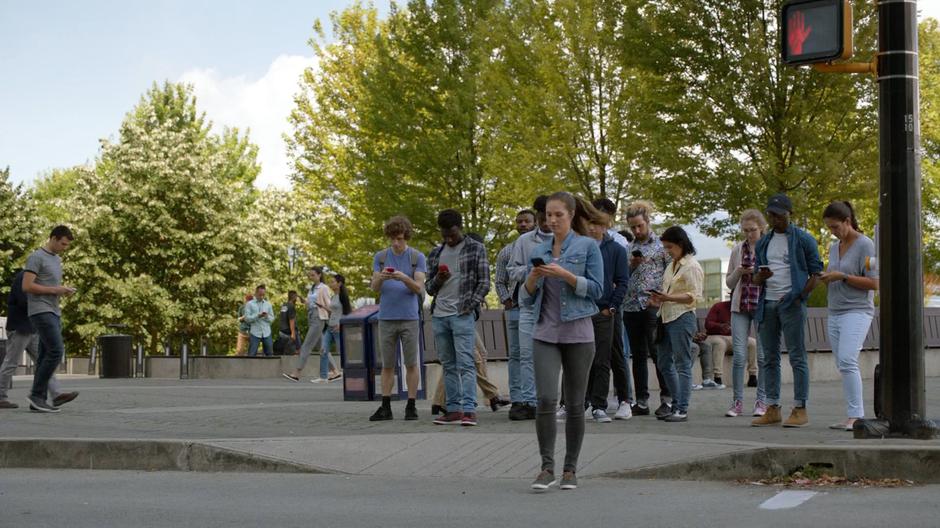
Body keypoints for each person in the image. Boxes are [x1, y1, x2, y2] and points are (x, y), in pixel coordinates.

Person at [524, 192, 604, 491]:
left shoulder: (588, 246)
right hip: (545, 332)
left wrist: (566, 275)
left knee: (573, 403)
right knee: (545, 398)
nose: (552, 220)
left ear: (571, 215)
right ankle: (547, 468)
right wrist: (532, 277)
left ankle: (570, 469)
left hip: (579, 334)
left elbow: (597, 290)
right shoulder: (541, 248)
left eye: (558, 214)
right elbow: (526, 295)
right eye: (548, 215)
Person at [751, 193, 823, 428]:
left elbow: (816, 273)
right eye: (772, 214)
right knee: (769, 358)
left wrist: (800, 296)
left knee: (796, 356)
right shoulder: (764, 241)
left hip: (791, 304)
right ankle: (772, 407)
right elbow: (754, 277)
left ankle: (800, 408)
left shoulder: (803, 239)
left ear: (789, 214)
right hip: (767, 303)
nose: (775, 219)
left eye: (780, 215)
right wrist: (760, 277)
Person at [426, 209, 490, 426]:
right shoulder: (435, 253)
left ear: (460, 227)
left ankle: (469, 410)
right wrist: (439, 278)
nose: (449, 238)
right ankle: (453, 409)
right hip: (440, 315)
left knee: (466, 363)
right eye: (444, 234)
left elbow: (484, 282)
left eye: (452, 233)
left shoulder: (476, 248)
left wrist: (469, 307)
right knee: (449, 364)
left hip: (462, 313)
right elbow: (429, 288)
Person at [819, 201, 878, 431]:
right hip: (835, 310)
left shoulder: (866, 245)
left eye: (835, 227)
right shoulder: (835, 247)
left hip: (857, 310)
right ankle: (851, 415)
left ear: (847, 221)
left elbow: (875, 282)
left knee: (847, 359)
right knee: (842, 363)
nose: (833, 232)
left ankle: (857, 416)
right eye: (829, 228)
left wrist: (842, 277)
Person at [368, 216, 427, 421]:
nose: (396, 243)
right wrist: (380, 277)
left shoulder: (416, 257)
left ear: (406, 237)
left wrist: (403, 277)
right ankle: (386, 406)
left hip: (409, 318)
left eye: (400, 239)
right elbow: (375, 288)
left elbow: (419, 288)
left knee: (411, 363)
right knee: (387, 365)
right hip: (386, 318)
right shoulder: (381, 257)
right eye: (392, 239)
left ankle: (411, 405)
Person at [0, 270, 78, 410]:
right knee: (11, 362)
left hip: (33, 328)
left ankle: (55, 395)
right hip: (20, 327)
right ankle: (1, 397)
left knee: (44, 361)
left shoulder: (38, 280)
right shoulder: (24, 277)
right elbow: (25, 301)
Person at [649, 226, 704, 423]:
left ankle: (682, 408)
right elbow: (670, 292)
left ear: (681, 244)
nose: (667, 251)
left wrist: (667, 297)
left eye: (670, 247)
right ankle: (677, 402)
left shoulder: (692, 266)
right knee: (664, 361)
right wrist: (659, 299)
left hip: (682, 317)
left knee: (682, 363)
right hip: (666, 316)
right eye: (665, 247)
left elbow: (694, 296)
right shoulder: (673, 265)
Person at [623, 201, 672, 418]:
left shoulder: (662, 246)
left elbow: (671, 272)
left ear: (647, 222)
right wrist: (631, 266)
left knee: (657, 352)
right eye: (633, 227)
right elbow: (621, 277)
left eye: (639, 226)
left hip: (653, 305)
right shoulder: (627, 248)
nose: (636, 230)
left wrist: (663, 298)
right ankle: (641, 401)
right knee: (638, 355)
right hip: (631, 306)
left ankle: (667, 399)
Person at [507, 197, 554, 421]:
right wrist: (531, 271)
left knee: (551, 356)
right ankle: (528, 402)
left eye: (551, 215)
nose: (547, 220)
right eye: (543, 216)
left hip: (554, 305)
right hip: (528, 304)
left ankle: (551, 400)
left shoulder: (565, 239)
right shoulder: (524, 241)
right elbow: (512, 271)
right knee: (526, 355)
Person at [22, 225, 76, 413]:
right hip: (40, 311)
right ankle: (36, 394)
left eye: (67, 245)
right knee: (56, 351)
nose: (64, 247)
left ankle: (38, 401)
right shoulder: (36, 257)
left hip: (53, 310)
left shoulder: (57, 259)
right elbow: (27, 286)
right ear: (53, 238)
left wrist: (63, 290)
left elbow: (50, 285)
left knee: (45, 355)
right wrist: (56, 290)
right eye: (62, 243)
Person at [582, 209, 629, 422]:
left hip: (604, 310)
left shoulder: (616, 249)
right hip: (582, 311)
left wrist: (611, 307)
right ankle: (576, 403)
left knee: (603, 358)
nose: (592, 227)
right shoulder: (580, 247)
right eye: (589, 223)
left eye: (596, 223)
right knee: (580, 360)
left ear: (605, 225)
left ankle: (600, 405)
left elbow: (622, 281)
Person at [725, 209, 769, 417]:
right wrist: (739, 271)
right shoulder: (737, 250)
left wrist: (758, 273)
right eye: (745, 230)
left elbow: (774, 277)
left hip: (761, 304)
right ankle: (737, 401)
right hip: (740, 305)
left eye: (752, 230)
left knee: (761, 356)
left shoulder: (767, 247)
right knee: (739, 355)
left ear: (761, 228)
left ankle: (762, 401)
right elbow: (729, 283)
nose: (749, 234)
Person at [495, 208, 537, 420]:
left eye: (526, 221)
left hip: (537, 307)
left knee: (533, 354)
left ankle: (534, 399)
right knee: (516, 354)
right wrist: (507, 300)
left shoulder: (540, 247)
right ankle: (517, 398)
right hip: (515, 309)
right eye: (519, 221)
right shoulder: (506, 252)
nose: (522, 225)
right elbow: (500, 281)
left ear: (535, 223)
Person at [431, 333, 508, 414]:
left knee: (479, 354)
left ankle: (438, 401)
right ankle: (492, 395)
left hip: (465, 322)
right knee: (473, 359)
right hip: (461, 323)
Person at [283, 266, 333, 381]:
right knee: (322, 347)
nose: (311, 277)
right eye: (309, 275)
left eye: (313, 275)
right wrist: (304, 301)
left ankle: (297, 372)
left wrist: (324, 309)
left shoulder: (323, 288)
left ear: (319, 275)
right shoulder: (312, 288)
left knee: (306, 346)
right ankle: (335, 371)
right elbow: (310, 304)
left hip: (318, 317)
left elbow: (329, 305)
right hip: (311, 316)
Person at [320, 274, 350, 383]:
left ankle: (348, 373)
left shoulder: (343, 296)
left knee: (342, 352)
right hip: (330, 326)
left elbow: (347, 312)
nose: (330, 284)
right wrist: (323, 307)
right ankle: (323, 377)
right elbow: (334, 311)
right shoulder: (333, 296)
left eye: (333, 282)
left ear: (339, 283)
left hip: (338, 328)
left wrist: (341, 324)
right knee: (323, 350)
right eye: (330, 282)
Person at [245, 285, 275, 357]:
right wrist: (257, 316)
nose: (261, 297)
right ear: (256, 293)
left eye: (263, 295)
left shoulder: (268, 304)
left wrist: (266, 316)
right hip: (255, 332)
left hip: (266, 332)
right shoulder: (249, 304)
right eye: (260, 295)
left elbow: (272, 319)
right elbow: (247, 319)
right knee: (251, 355)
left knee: (270, 354)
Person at [278, 291, 301, 355]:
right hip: (289, 331)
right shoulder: (291, 306)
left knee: (285, 351)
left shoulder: (284, 305)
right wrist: (293, 333)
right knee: (298, 351)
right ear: (294, 298)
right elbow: (291, 320)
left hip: (282, 331)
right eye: (296, 297)